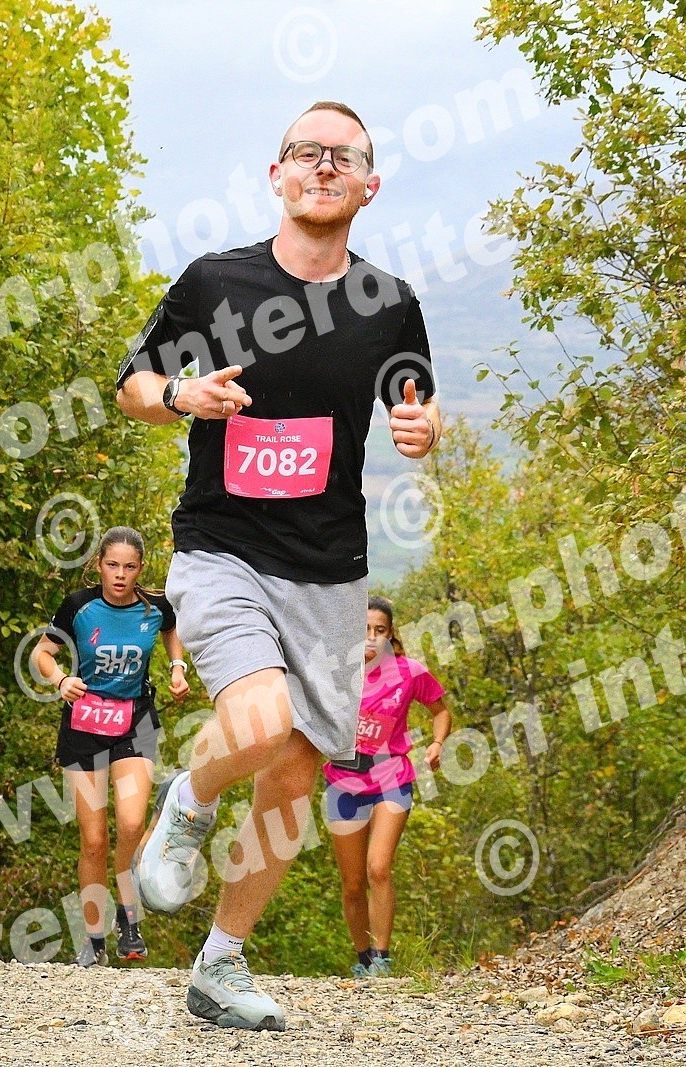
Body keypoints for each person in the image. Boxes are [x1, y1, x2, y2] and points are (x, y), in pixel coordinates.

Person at [114, 100, 441, 1030]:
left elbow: (416, 401)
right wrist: (183, 395)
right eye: (307, 152)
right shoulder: (216, 281)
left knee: (295, 772)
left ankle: (221, 961)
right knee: (258, 723)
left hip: (331, 570)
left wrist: (422, 427)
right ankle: (189, 800)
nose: (324, 166)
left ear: (370, 186)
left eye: (344, 157)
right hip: (223, 549)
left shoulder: (389, 301)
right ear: (277, 175)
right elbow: (133, 385)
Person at [33, 526, 190, 966]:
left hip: (134, 722)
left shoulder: (156, 606)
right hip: (84, 725)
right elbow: (41, 653)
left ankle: (128, 916)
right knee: (93, 840)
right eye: (112, 565)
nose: (120, 575)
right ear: (99, 565)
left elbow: (172, 630)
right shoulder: (78, 606)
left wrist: (177, 667)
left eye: (129, 567)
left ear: (140, 569)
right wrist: (60, 680)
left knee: (132, 822)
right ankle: (93, 940)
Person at [325, 596, 452, 978]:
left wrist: (437, 743)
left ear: (390, 634)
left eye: (379, 631)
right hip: (344, 782)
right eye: (364, 630)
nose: (371, 637)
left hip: (391, 778)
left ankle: (382, 958)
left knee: (378, 867)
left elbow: (441, 710)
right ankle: (363, 958)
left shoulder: (409, 672)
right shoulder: (336, 672)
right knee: (352, 884)